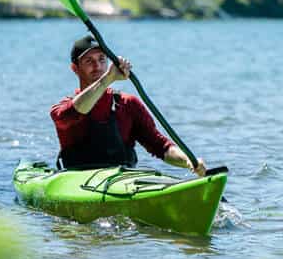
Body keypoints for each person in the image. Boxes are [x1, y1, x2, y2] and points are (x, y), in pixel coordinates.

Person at [50, 35, 206, 175]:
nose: (97, 66)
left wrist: (188, 160)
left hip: (122, 180)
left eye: (102, 59)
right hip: (78, 181)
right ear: (75, 69)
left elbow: (161, 146)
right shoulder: (62, 110)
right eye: (89, 61)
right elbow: (79, 109)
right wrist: (108, 79)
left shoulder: (128, 105)